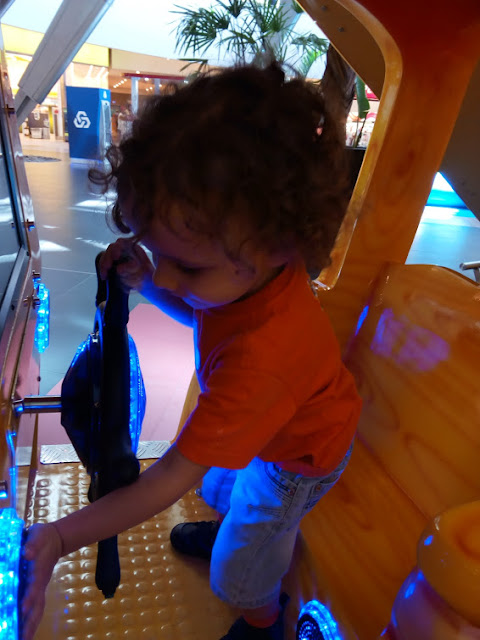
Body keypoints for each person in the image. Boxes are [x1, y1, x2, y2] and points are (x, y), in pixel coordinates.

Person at [21, 62, 362, 640]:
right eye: (157, 253)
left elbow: (166, 479)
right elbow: (205, 312)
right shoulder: (251, 269)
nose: (166, 275)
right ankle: (235, 531)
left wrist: (58, 537)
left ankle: (261, 618)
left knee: (241, 568)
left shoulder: (263, 360)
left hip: (300, 461)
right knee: (219, 490)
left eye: (187, 266)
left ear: (281, 245)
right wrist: (148, 282)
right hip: (274, 423)